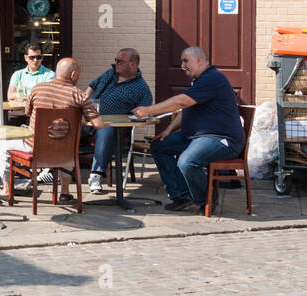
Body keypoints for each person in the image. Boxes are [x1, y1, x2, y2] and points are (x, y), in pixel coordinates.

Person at [134, 46, 245, 212]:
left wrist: (149, 110)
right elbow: (187, 109)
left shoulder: (212, 78)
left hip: (221, 140)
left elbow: (182, 102)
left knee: (187, 161)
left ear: (199, 60)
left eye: (186, 61)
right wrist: (169, 130)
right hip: (196, 138)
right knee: (159, 146)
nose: (182, 65)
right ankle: (181, 194)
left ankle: (205, 197)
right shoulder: (199, 81)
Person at [0, 57, 97, 190]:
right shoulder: (81, 96)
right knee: (64, 144)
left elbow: (28, 112)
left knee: (3, 144)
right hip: (64, 151)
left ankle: (6, 189)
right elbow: (97, 124)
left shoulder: (37, 89)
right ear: (73, 74)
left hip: (35, 147)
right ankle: (64, 192)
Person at [83, 48, 152, 193]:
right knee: (63, 124)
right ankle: (52, 167)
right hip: (88, 120)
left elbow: (145, 111)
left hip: (114, 130)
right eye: (115, 60)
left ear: (133, 64)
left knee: (105, 129)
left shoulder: (141, 88)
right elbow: (92, 86)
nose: (115, 63)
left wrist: (139, 113)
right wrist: (83, 102)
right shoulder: (109, 73)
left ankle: (96, 175)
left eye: (119, 61)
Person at [7, 43, 54, 109]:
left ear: (42, 57)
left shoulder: (50, 75)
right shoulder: (18, 74)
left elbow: (48, 95)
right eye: (32, 57)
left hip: (39, 110)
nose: (35, 60)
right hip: (19, 110)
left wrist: (23, 96)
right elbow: (10, 95)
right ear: (26, 58)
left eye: (38, 57)